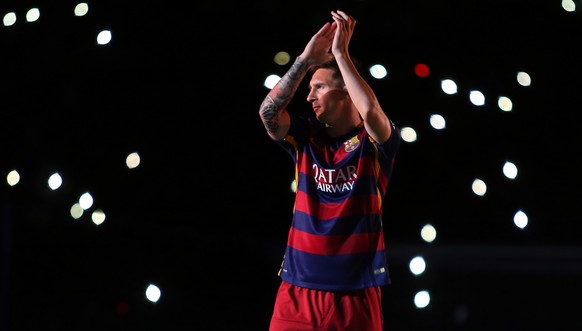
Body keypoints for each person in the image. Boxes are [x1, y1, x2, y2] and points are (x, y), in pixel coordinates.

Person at [258, 10, 401, 331]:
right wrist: (305, 62)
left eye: (319, 88)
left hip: (355, 296)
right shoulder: (305, 137)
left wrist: (340, 54)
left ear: (347, 91)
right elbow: (268, 113)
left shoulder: (374, 143)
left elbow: (371, 111)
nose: (309, 97)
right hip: (297, 292)